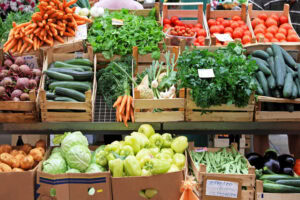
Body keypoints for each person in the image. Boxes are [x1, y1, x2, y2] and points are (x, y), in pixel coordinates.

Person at [250, 0, 300, 157]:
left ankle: (296, 167)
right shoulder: (261, 2)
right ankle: (262, 165)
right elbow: (253, 30)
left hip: (294, 71)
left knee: (296, 123)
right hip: (265, 66)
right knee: (261, 123)